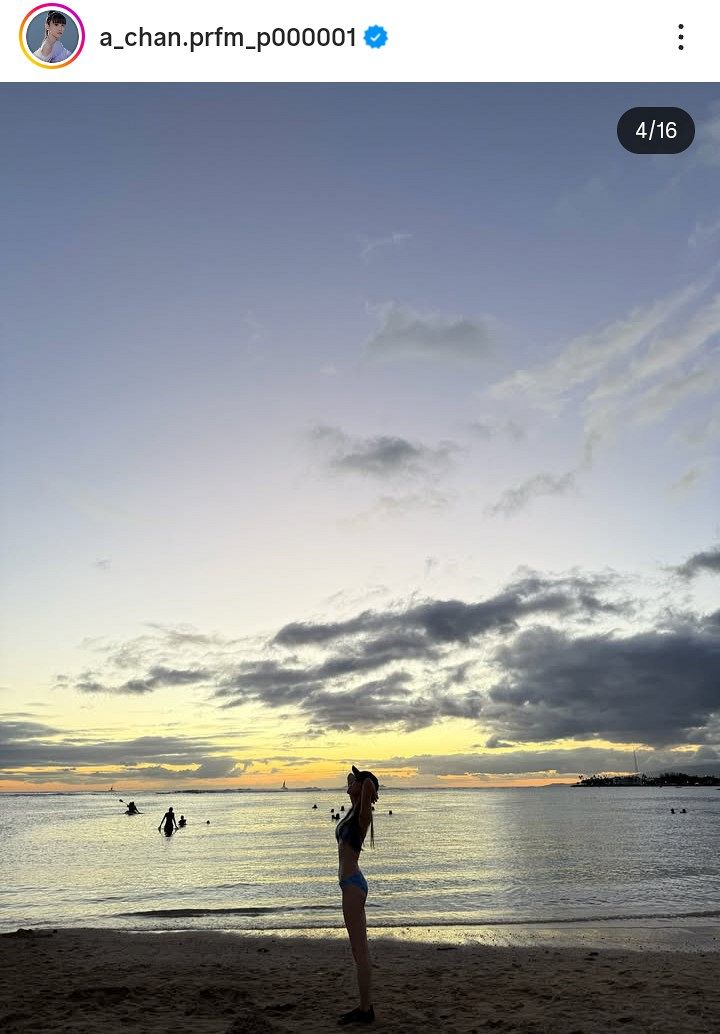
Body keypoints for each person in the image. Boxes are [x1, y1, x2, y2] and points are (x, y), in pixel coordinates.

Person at [335, 765, 379, 1025]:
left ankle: (365, 1010)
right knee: (359, 951)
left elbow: (367, 785)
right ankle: (365, 1007)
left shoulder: (363, 816)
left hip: (353, 886)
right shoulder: (353, 809)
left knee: (360, 952)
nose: (349, 783)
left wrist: (368, 786)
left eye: (356, 782)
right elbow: (350, 777)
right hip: (352, 885)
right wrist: (359, 781)